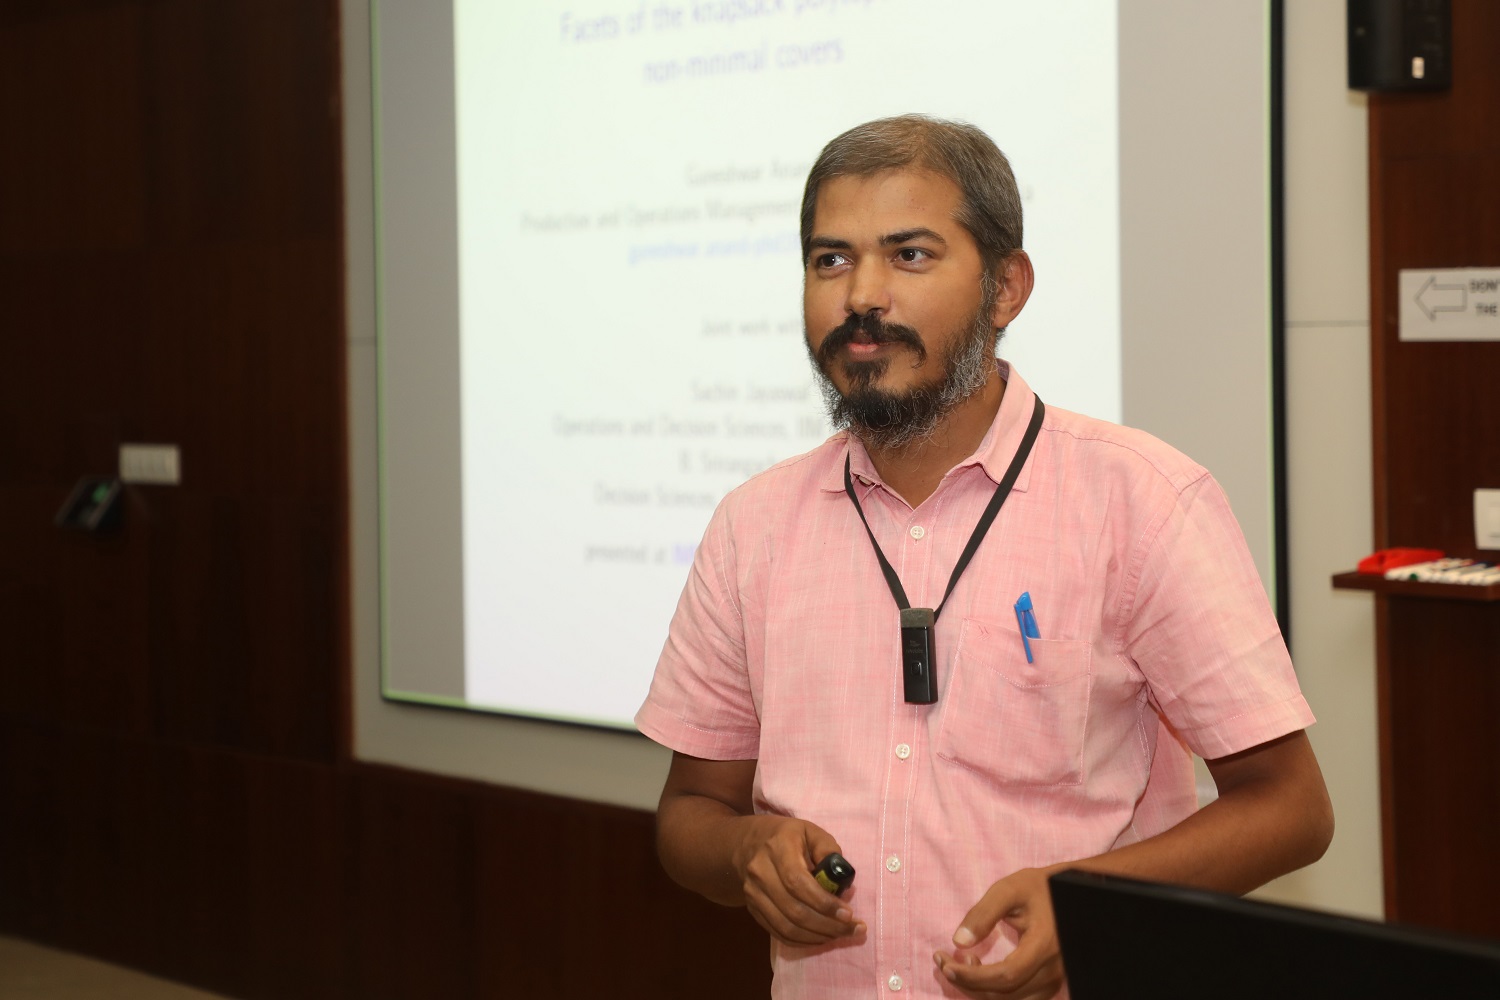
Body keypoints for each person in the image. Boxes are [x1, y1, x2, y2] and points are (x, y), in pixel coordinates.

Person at [635, 115, 1333, 1000]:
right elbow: (689, 815)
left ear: (1006, 288)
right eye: (831, 260)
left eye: (911, 255)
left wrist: (1091, 903)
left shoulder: (1143, 501)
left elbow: (1292, 808)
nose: (862, 297)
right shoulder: (754, 525)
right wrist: (745, 851)